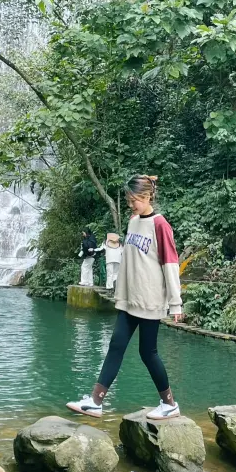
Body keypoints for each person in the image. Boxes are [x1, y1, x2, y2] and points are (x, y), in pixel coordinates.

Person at [67, 175, 183, 419]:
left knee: (147, 352)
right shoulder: (133, 222)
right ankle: (96, 401)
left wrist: (175, 304)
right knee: (116, 345)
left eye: (135, 200)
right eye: (129, 200)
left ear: (148, 195)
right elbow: (129, 261)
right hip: (130, 300)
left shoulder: (160, 225)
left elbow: (170, 264)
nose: (132, 205)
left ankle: (169, 403)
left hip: (150, 300)